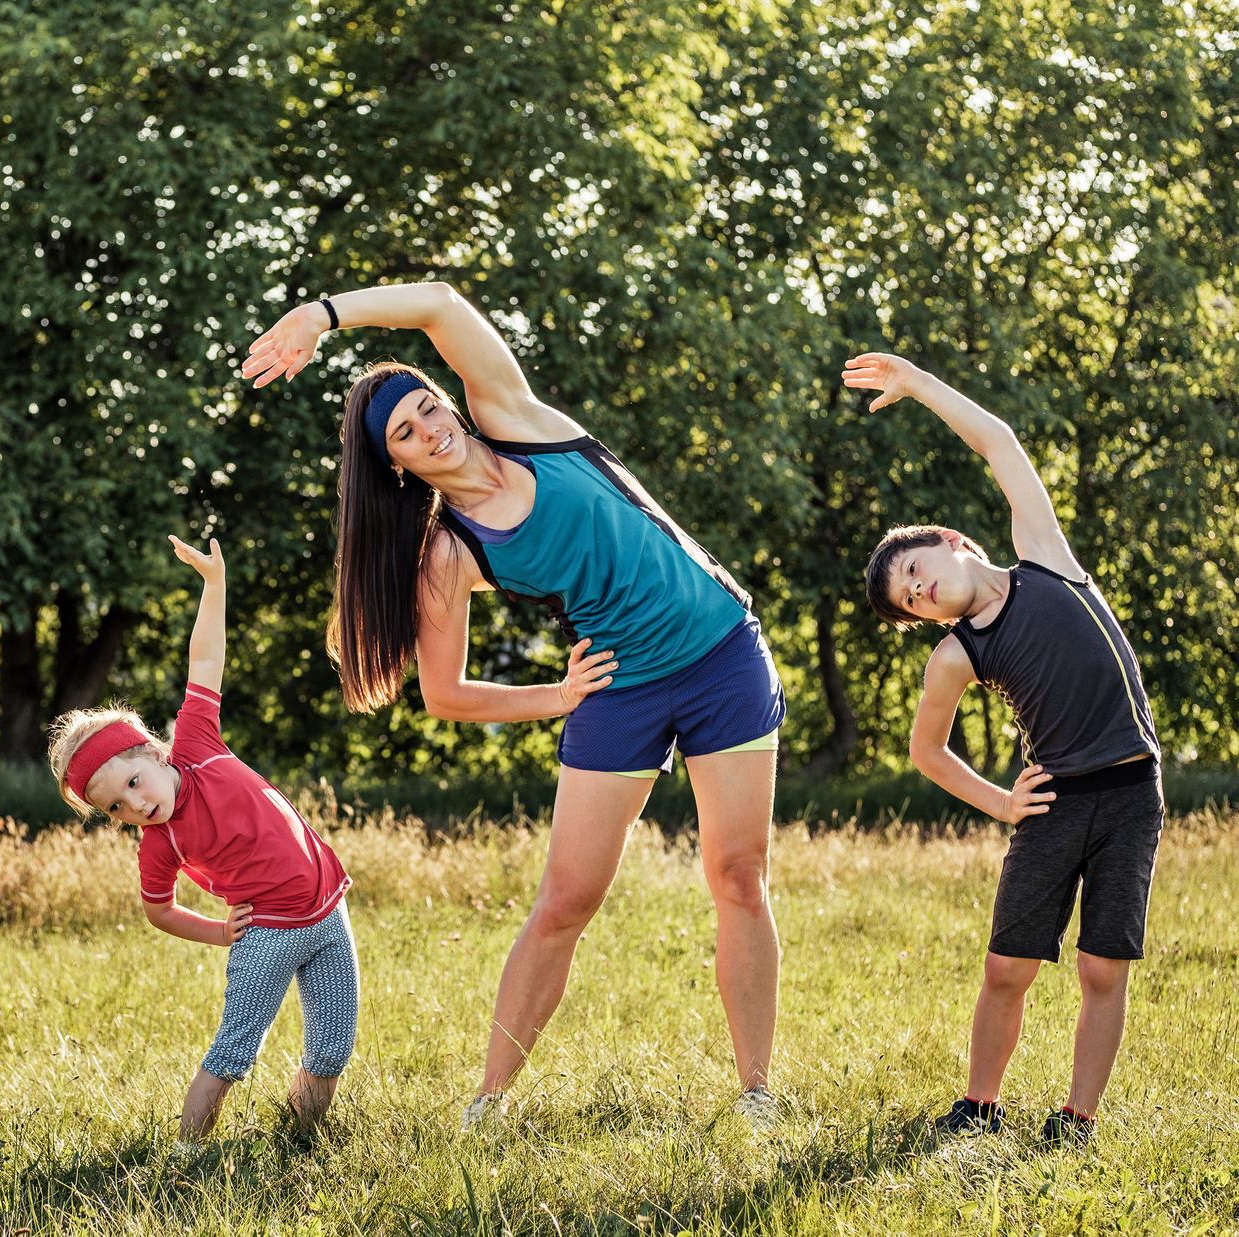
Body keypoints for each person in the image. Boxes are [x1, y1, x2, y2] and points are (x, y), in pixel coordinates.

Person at [241, 283, 786, 1126]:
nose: (432, 428)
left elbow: (438, 303)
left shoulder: (517, 418)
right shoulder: (450, 552)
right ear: (397, 464)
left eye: (427, 407)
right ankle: (488, 1102)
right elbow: (445, 694)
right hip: (621, 687)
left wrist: (321, 315)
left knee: (738, 875)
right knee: (567, 898)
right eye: (408, 433)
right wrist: (557, 696)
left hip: (722, 652)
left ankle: (757, 1092)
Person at [852, 352, 1162, 1148]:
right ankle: (978, 1106)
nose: (921, 593)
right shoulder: (957, 655)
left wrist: (918, 383)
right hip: (1054, 803)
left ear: (954, 543)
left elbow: (999, 442)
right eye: (910, 601)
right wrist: (1000, 800)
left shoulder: (1044, 558)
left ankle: (1078, 1119)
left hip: (1130, 792)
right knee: (1007, 968)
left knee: (1102, 968)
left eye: (918, 571)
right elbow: (927, 749)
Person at [47, 535, 358, 1143]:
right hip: (267, 934)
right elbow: (156, 909)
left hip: (329, 911)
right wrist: (219, 933)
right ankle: (189, 1154)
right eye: (116, 807)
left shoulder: (198, 745)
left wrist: (214, 586)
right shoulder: (159, 846)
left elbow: (205, 661)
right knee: (233, 1053)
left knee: (332, 1045)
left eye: (133, 782)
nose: (135, 804)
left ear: (154, 753)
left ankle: (301, 1139)